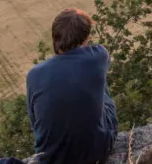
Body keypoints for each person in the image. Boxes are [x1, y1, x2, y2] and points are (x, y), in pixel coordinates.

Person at [26, 9, 117, 164]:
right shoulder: (99, 56)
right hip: (97, 151)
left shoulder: (34, 74)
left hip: (51, 157)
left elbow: (34, 121)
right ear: (85, 37)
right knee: (98, 83)